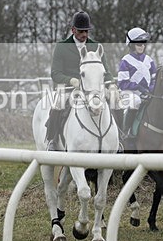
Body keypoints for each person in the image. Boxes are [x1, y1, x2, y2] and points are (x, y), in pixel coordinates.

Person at [46, 11, 114, 150]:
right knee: (57, 104)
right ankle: (52, 140)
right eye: (81, 31)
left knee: (116, 102)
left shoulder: (96, 47)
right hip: (69, 87)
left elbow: (106, 72)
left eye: (87, 31)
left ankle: (118, 140)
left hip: (93, 88)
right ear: (73, 30)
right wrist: (71, 80)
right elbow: (55, 73)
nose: (84, 34)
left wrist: (112, 84)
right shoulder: (62, 46)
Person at [116, 27, 157, 138]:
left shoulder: (149, 60)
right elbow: (122, 83)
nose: (142, 46)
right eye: (139, 43)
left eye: (143, 43)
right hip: (128, 93)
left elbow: (154, 78)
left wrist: (151, 90)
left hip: (146, 93)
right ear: (131, 44)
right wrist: (139, 87)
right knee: (136, 101)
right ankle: (126, 131)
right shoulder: (126, 60)